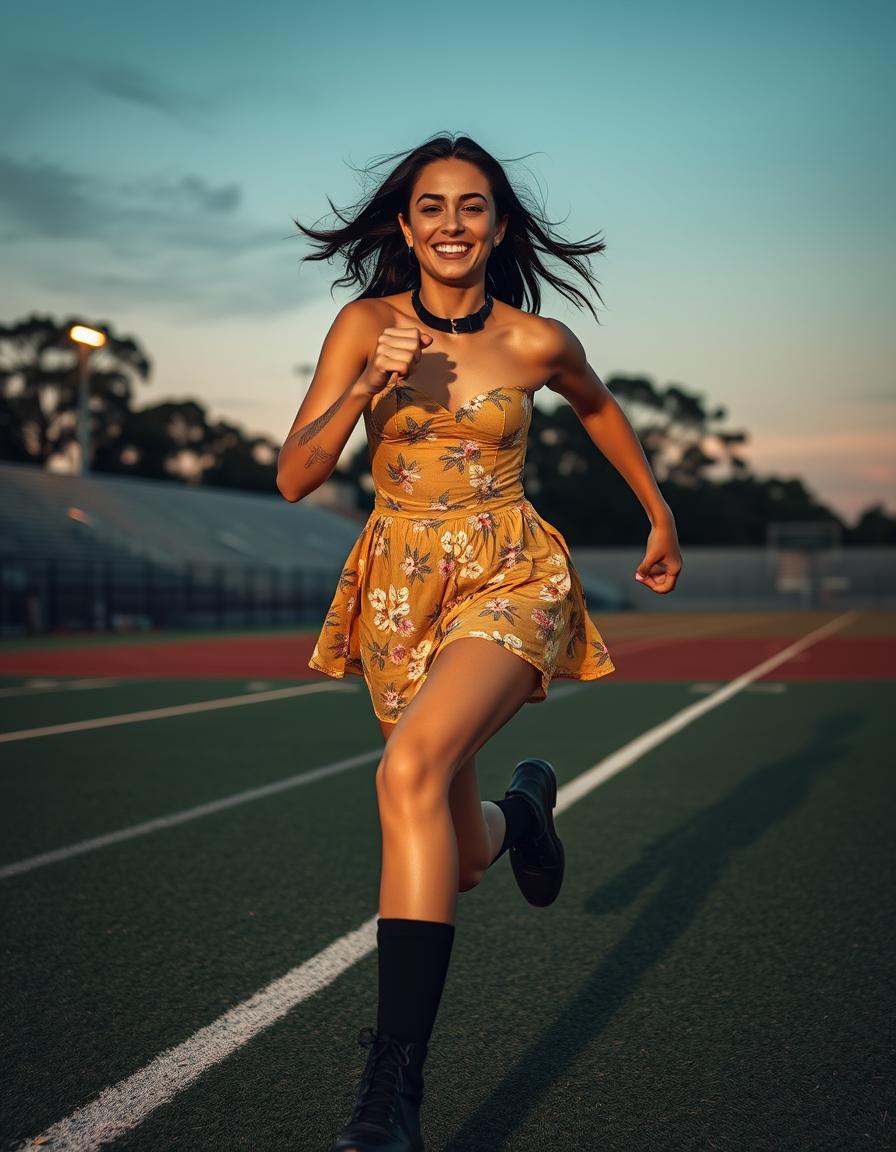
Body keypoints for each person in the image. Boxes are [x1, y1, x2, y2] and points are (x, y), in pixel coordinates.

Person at [278, 132, 682, 1152]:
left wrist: (656, 511)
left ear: (497, 226)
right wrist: (368, 383)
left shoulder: (533, 343)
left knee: (406, 770)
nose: (450, 223)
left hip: (509, 575)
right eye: (430, 207)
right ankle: (521, 812)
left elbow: (598, 409)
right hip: (397, 590)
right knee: (454, 854)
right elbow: (294, 475)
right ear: (404, 226)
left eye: (470, 207)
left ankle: (388, 1093)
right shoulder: (362, 325)